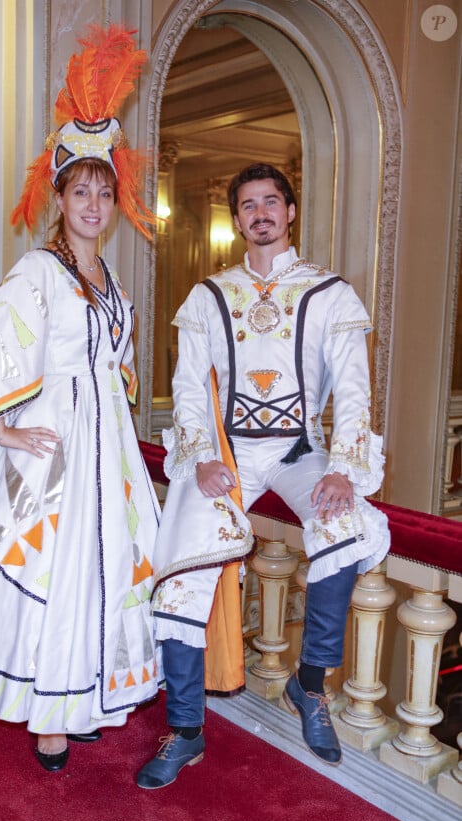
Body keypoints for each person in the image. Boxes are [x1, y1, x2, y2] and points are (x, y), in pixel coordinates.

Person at [0, 24, 162, 772]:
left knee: (107, 568)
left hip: (106, 439)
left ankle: (83, 699)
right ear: (62, 196)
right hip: (57, 440)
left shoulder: (113, 282)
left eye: (105, 194)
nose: (94, 205)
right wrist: (2, 430)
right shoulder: (38, 271)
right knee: (57, 568)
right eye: (82, 191)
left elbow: (121, 364)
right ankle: (49, 714)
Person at [136, 162, 390, 789]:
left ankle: (309, 688)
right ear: (237, 219)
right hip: (227, 456)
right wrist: (201, 459)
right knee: (183, 567)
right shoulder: (209, 296)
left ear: (290, 211)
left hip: (301, 451)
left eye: (271, 202)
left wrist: (344, 470)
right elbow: (189, 388)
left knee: (345, 526)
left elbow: (355, 390)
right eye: (247, 205)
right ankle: (187, 728)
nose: (260, 214)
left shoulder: (330, 293)